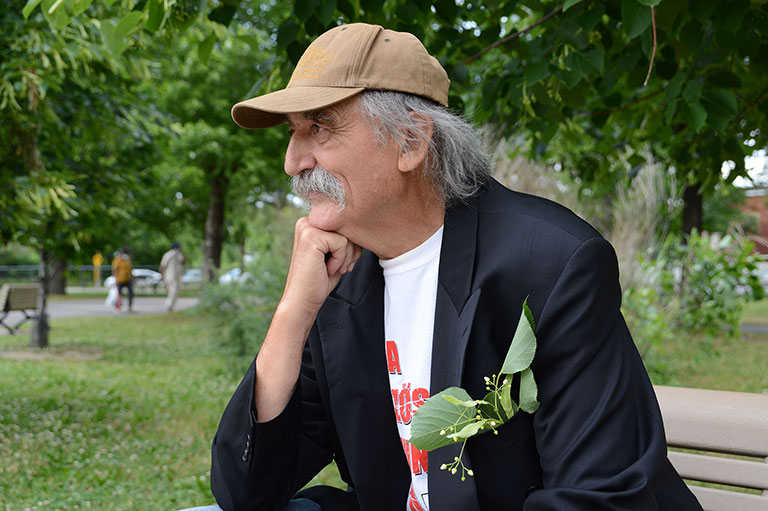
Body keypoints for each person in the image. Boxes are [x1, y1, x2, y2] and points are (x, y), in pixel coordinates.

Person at [206, 23, 702, 511]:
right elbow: (246, 492)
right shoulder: (340, 279)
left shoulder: (552, 263)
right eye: (293, 134)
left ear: (411, 143)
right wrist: (294, 311)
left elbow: (596, 497)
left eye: (319, 127)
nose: (293, 162)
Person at [160, 242, 185, 312]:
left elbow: (183, 262)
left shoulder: (175, 255)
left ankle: (170, 307)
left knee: (173, 292)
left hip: (173, 276)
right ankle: (168, 306)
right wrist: (162, 276)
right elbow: (162, 266)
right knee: (173, 291)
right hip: (171, 276)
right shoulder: (171, 254)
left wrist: (162, 276)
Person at [111, 247, 134, 312]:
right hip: (119, 279)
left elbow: (130, 269)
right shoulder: (117, 259)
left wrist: (132, 277)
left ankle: (130, 306)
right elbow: (114, 269)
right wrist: (114, 278)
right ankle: (118, 306)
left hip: (128, 279)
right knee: (119, 293)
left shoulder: (128, 260)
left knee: (131, 292)